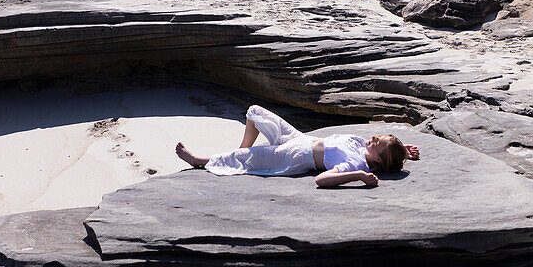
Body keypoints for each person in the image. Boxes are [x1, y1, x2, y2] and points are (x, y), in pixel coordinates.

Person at [175, 105, 419, 188]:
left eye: (379, 144)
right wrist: (403, 150)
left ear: (377, 162)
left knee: (252, 155)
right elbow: (386, 152)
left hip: (293, 157)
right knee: (255, 113)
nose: (374, 139)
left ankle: (200, 161)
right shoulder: (360, 144)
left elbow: (320, 180)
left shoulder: (355, 164)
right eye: (379, 138)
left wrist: (359, 177)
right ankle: (242, 153)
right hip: (300, 139)